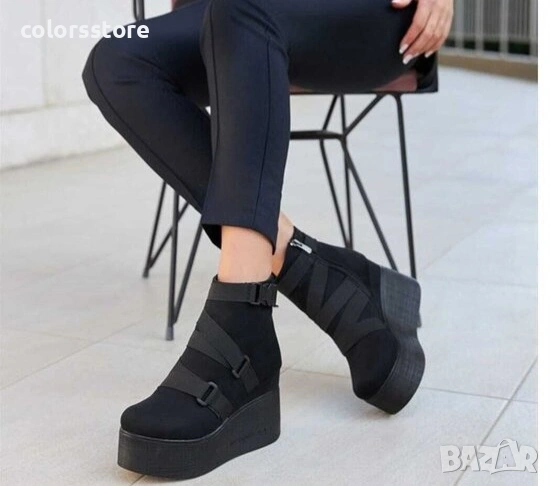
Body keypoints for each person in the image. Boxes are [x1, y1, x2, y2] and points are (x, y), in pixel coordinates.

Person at [82, 0, 452, 479]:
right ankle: (329, 279)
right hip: (233, 14)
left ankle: (242, 321)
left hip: (375, 16)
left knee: (242, 7)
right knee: (117, 59)